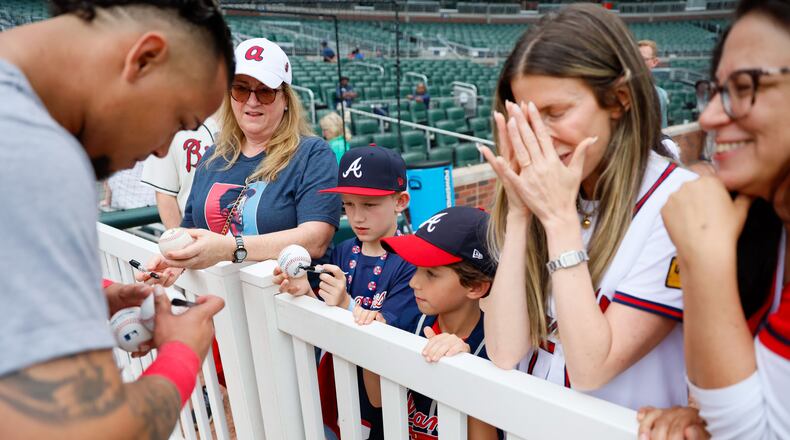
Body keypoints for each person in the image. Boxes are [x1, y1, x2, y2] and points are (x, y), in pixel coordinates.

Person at [0, 1, 233, 438]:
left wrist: (79, 298)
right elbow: (91, 432)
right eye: (178, 120)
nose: (165, 149)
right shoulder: (35, 153)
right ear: (144, 59)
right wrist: (184, 353)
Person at [478, 3, 696, 411]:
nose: (538, 136)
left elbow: (590, 369)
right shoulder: (556, 194)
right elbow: (505, 352)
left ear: (619, 99)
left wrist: (559, 221)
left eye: (555, 113)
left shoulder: (680, 201)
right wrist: (522, 214)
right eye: (526, 117)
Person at [638, 0, 790, 438]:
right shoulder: (764, 220)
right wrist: (710, 414)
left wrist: (703, 259)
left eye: (743, 89)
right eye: (717, 90)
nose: (708, 117)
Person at [139, 37, 340, 285]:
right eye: (241, 89)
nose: (252, 101)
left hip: (288, 303)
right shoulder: (213, 157)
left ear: (285, 99)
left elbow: (315, 239)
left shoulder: (313, 153)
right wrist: (175, 261)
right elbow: (189, 228)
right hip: (224, 302)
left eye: (265, 91)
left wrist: (230, 248)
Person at [274, 146, 418, 439]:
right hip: (340, 384)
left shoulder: (413, 262)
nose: (357, 216)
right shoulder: (342, 251)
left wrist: (344, 304)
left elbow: (389, 335)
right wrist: (306, 294)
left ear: (400, 201)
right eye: (348, 205)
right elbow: (324, 321)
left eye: (369, 204)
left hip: (386, 396)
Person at [360, 206, 500, 439]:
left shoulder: (496, 349)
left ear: (475, 286)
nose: (414, 282)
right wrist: (374, 338)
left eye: (432, 274)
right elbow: (378, 399)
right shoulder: (409, 321)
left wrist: (465, 370)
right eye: (417, 268)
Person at [141, 118, 219, 228]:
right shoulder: (170, 124)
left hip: (239, 236)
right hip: (193, 231)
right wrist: (181, 241)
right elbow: (165, 192)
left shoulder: (247, 121)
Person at [639, 40, 670, 129]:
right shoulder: (622, 91)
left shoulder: (661, 94)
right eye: (635, 58)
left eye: (643, 59)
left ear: (654, 62)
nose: (637, 63)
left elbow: (662, 130)